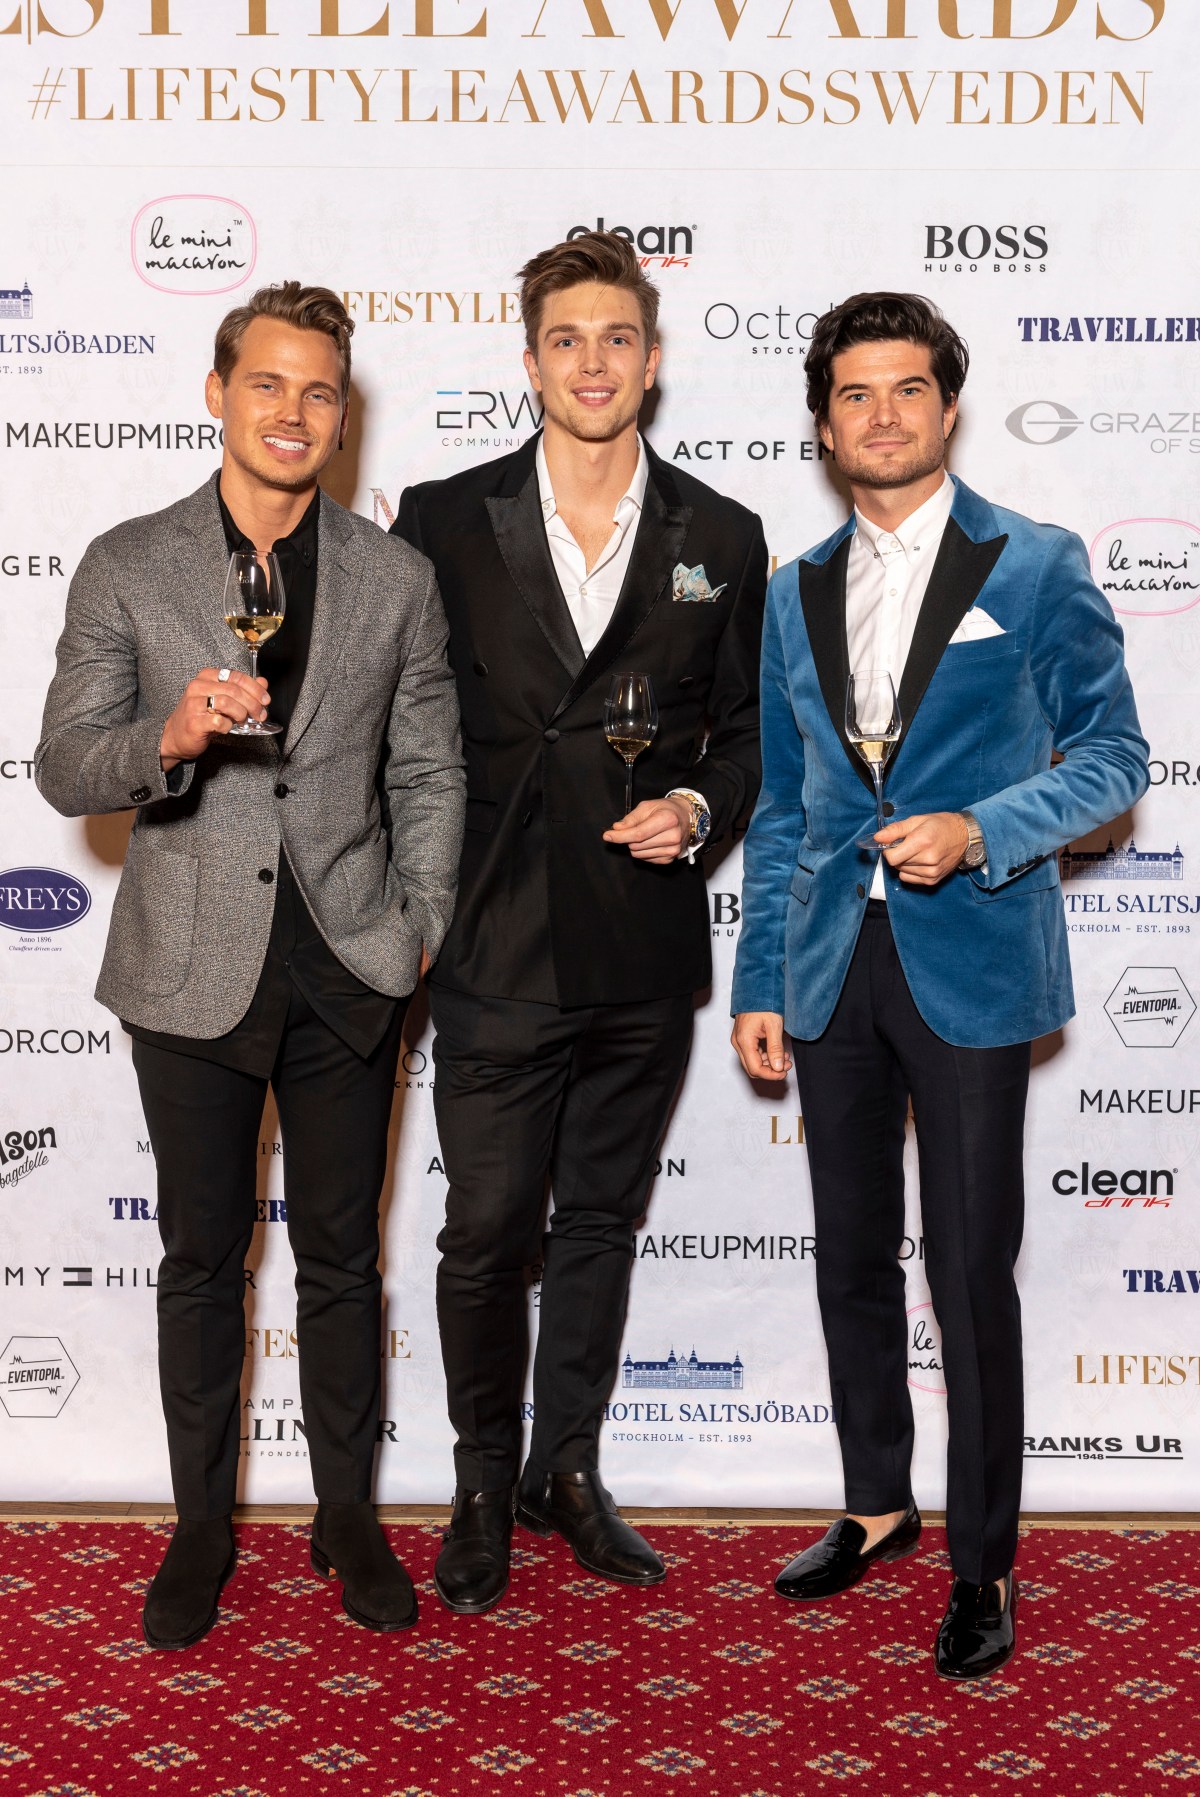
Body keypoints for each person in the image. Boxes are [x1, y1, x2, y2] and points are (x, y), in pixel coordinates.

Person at [36, 282, 464, 1649]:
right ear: (217, 393)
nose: (293, 411)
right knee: (200, 1260)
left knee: (341, 1259)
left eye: (319, 391)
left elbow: (430, 768)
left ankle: (348, 1519)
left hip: (349, 960)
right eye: (267, 383)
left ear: (344, 415)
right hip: (188, 964)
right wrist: (165, 737)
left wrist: (420, 922)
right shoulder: (127, 562)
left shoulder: (395, 577)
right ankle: (202, 1529)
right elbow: (65, 765)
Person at [730, 292, 1147, 1679]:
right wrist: (760, 976)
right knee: (850, 1254)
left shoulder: (1034, 564)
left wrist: (982, 828)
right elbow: (785, 804)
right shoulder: (793, 588)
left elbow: (1115, 758)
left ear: (949, 407)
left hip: (970, 955)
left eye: (908, 388)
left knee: (968, 1272)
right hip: (830, 965)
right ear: (824, 424)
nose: (884, 415)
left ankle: (984, 1563)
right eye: (855, 394)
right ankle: (876, 1504)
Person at [391, 230, 767, 1614]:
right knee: (487, 1230)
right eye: (568, 340)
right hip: (490, 937)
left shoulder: (721, 534)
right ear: (531, 361)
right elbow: (394, 725)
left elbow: (747, 737)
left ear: (652, 362)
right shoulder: (443, 518)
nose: (593, 363)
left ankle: (567, 1470)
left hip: (640, 939)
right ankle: (480, 1483)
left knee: (601, 1220)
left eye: (618, 339)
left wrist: (697, 805)